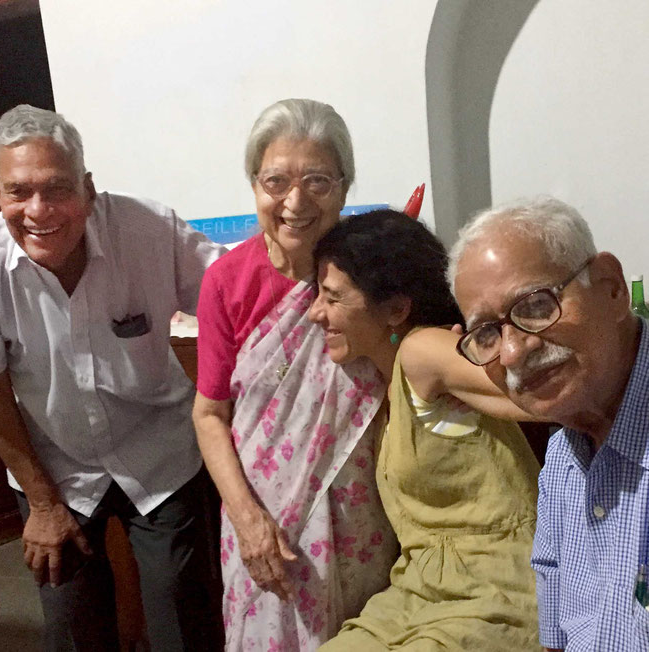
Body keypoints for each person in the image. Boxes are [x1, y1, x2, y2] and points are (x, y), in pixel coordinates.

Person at [0, 104, 226, 651]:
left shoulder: (149, 229)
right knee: (71, 626)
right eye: (18, 192)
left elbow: (229, 295)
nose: (38, 210)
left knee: (185, 620)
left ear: (89, 189)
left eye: (57, 188)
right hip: (54, 465)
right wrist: (43, 505)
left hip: (160, 453)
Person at [192, 99, 398, 651]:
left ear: (345, 187)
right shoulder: (227, 282)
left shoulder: (377, 271)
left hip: (363, 518)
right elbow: (209, 415)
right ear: (254, 184)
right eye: (276, 181)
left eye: (317, 181)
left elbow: (408, 373)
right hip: (264, 531)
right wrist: (248, 522)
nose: (295, 201)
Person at [308, 209, 543, 651]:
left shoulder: (422, 351)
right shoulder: (387, 380)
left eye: (332, 297)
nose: (314, 314)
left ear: (396, 308)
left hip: (493, 586)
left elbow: (538, 393)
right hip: (421, 590)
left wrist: (483, 345)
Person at [449, 196, 649, 652]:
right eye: (487, 334)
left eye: (536, 306)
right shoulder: (561, 462)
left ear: (611, 288)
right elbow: (556, 637)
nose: (514, 352)